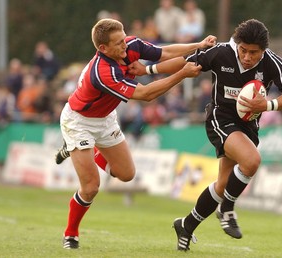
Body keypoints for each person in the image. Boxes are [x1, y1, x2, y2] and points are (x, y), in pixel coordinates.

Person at [130, 18, 282, 251]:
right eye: (243, 50)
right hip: (220, 119)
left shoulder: (271, 62)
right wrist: (149, 69)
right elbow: (184, 63)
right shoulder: (221, 52)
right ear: (237, 44)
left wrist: (268, 105)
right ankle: (227, 209)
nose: (247, 57)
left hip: (248, 125)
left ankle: (186, 225)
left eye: (254, 53)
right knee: (251, 160)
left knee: (223, 184)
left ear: (263, 50)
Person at [56, 18, 216, 249]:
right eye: (118, 43)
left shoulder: (130, 44)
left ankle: (80, 150)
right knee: (91, 186)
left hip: (105, 119)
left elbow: (164, 52)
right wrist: (182, 75)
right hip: (79, 122)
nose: (125, 46)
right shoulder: (103, 72)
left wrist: (198, 45)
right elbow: (146, 94)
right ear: (103, 48)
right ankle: (71, 234)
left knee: (127, 174)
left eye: (124, 38)